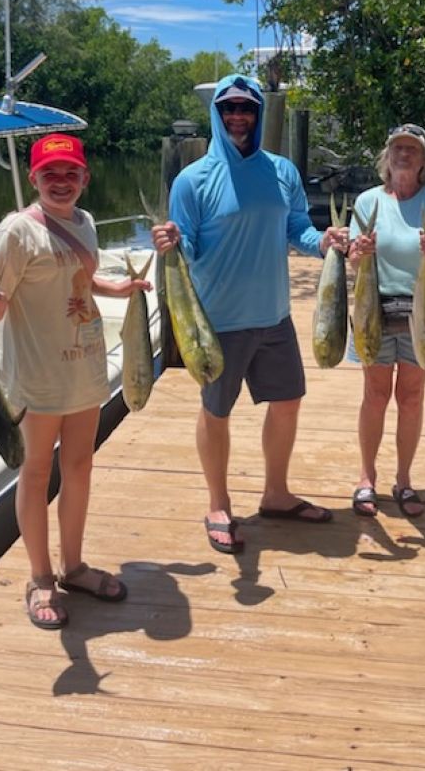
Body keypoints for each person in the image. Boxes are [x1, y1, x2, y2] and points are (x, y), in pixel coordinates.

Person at [151, 75, 348, 554]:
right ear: (217, 114)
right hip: (218, 322)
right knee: (216, 410)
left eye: (247, 108)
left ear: (258, 114)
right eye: (229, 108)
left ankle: (276, 494)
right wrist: (172, 242)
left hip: (275, 315)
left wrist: (323, 243)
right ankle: (218, 504)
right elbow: (189, 247)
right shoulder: (192, 180)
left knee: (288, 401)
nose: (238, 116)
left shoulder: (282, 171)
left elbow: (297, 228)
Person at [0, 134, 152, 628]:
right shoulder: (17, 232)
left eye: (71, 173)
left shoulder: (85, 223)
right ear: (33, 178)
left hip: (84, 366)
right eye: (50, 173)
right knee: (35, 473)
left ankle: (74, 566)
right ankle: (40, 577)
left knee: (79, 468)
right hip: (37, 375)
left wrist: (118, 288)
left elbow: (81, 279)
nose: (61, 182)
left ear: (85, 178)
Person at [348, 124, 425, 518]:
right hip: (374, 308)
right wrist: (359, 251)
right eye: (398, 147)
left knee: (411, 398)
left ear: (423, 160)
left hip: (421, 311)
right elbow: (353, 261)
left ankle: (404, 479)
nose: (404, 154)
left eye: (412, 149)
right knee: (375, 395)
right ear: (387, 156)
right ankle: (366, 478)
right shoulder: (367, 201)